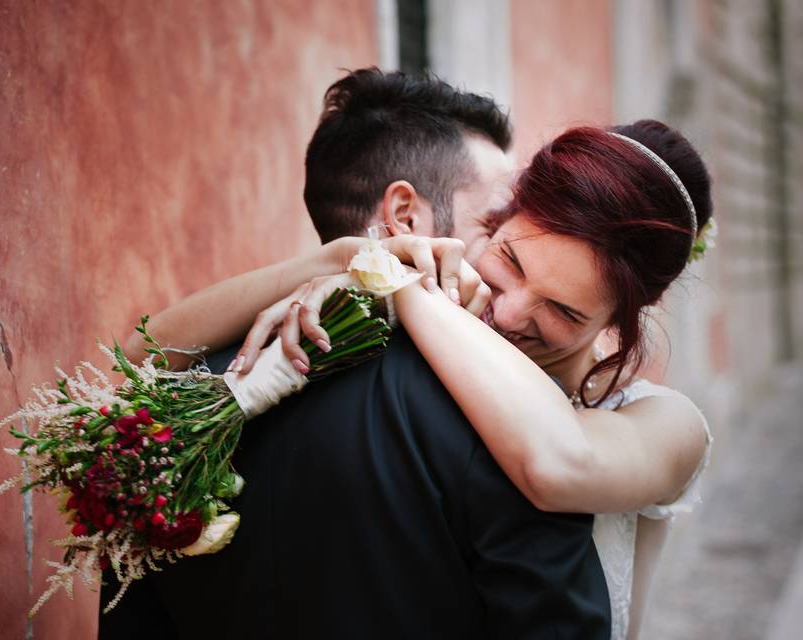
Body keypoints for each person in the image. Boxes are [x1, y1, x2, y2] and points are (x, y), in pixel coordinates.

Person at [133, 116, 715, 638]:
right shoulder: (395, 363)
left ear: (621, 319)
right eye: (510, 261)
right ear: (498, 222)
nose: (510, 314)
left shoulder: (668, 422)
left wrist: (396, 282)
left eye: (565, 312)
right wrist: (345, 260)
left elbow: (559, 463)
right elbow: (135, 359)